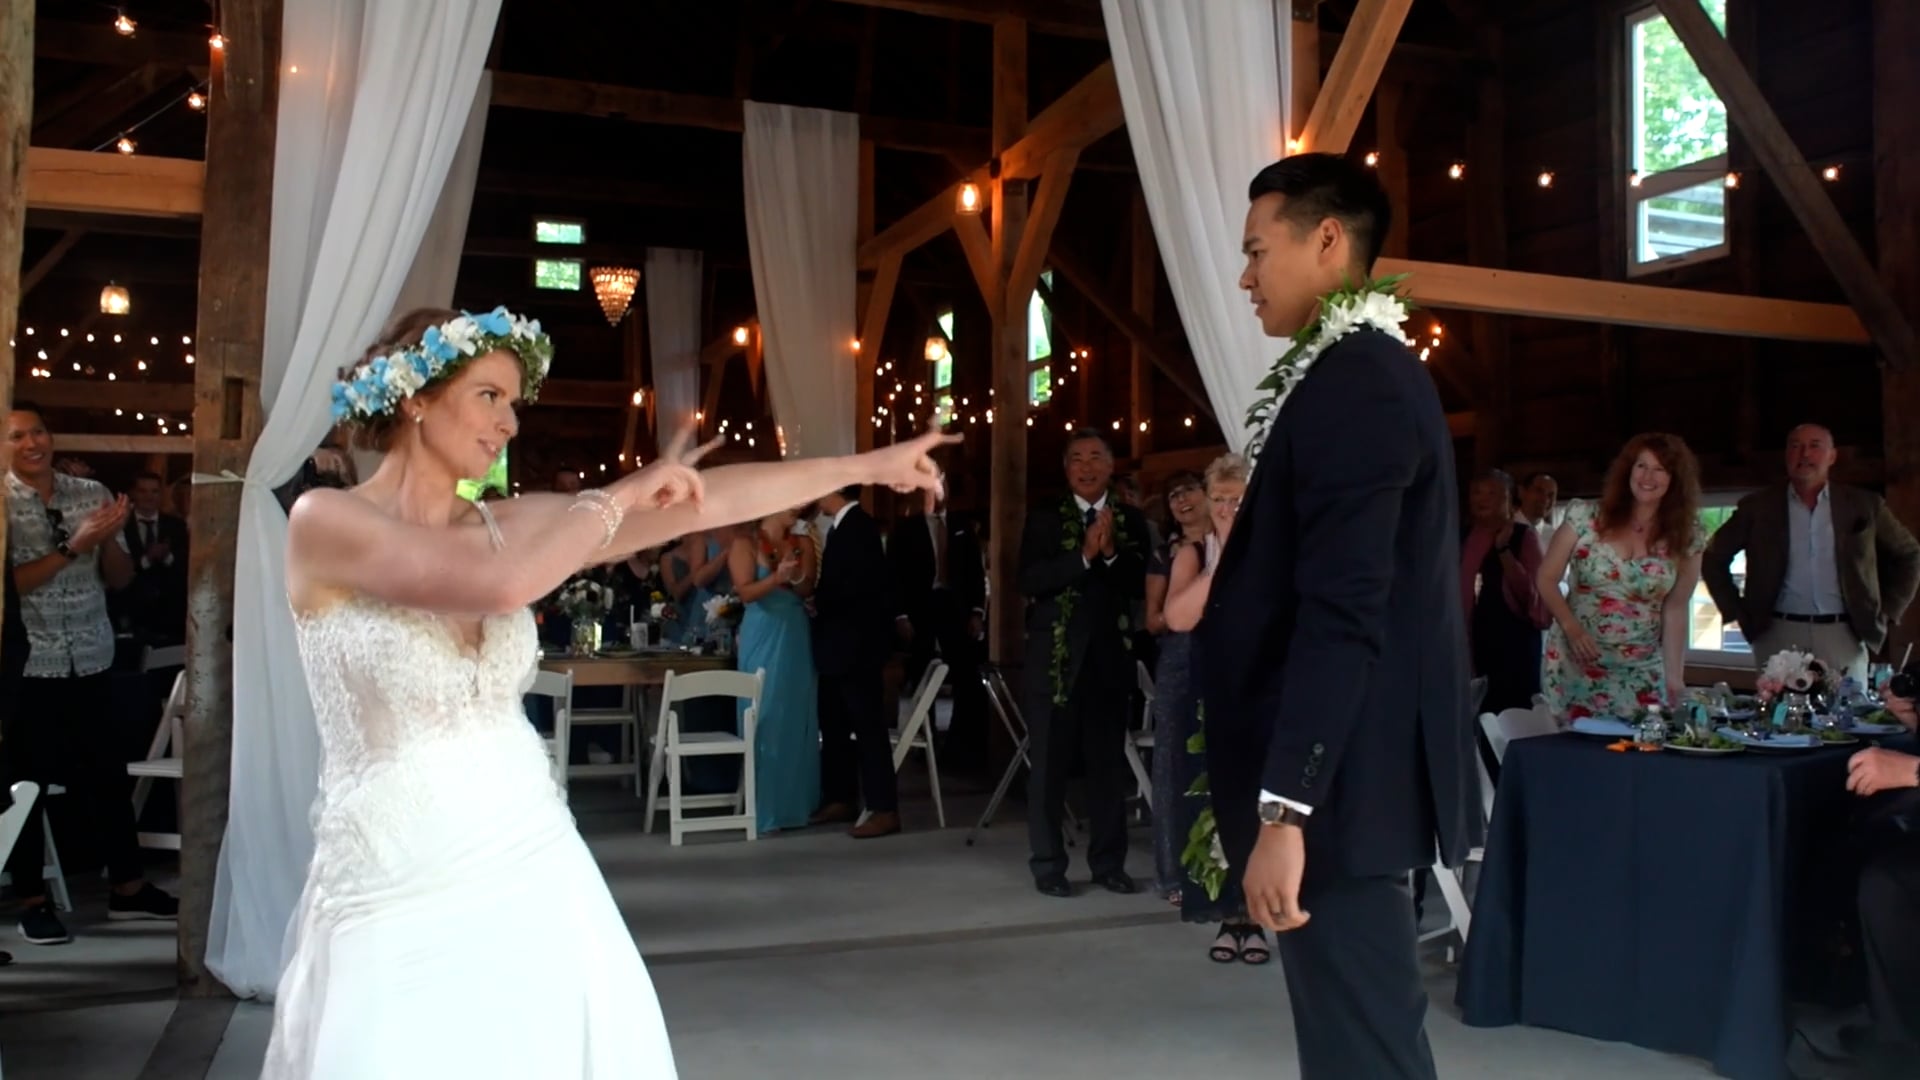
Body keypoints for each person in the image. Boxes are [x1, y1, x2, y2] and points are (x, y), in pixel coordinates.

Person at [264, 306, 954, 1077]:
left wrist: (861, 466)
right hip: (391, 878)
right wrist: (622, 496)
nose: (509, 424)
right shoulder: (324, 521)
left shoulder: (502, 521)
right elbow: (503, 586)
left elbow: (708, 500)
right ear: (417, 395)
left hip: (531, 856)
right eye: (490, 395)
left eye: (515, 404)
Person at [1195, 153, 1476, 1080]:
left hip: (1340, 795)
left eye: (1254, 251)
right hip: (1348, 786)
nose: (1243, 276)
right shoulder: (1355, 372)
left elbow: (1344, 612)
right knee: (1356, 1041)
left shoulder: (1357, 381)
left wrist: (1287, 809)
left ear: (1326, 239)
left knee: (1365, 1051)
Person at [4, 402, 177, 947]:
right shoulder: (3, 503)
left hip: (94, 652)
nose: (32, 443)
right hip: (30, 662)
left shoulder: (91, 494)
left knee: (107, 773)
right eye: (17, 437)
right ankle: (33, 900)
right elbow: (9, 590)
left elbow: (121, 579)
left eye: (38, 432)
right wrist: (69, 546)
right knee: (27, 785)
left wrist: (105, 540)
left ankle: (128, 887)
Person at [1018, 429, 1148, 898]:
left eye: (1097, 457)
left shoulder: (1131, 519)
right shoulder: (1045, 518)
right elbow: (1029, 579)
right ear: (1066, 468)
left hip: (1108, 661)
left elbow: (1141, 583)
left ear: (1112, 466)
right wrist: (1084, 556)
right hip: (1053, 660)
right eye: (1077, 459)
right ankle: (1049, 864)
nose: (1087, 467)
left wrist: (1111, 554)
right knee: (1049, 766)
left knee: (1107, 767)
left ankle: (1109, 863)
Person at [1703, 424, 1920, 683]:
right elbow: (1713, 557)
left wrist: (1887, 610)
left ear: (1832, 456)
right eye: (1795, 446)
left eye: (1815, 446)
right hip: (1776, 632)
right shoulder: (1757, 507)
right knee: (1777, 717)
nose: (1804, 454)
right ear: (1786, 455)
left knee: (1846, 718)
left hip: (1843, 633)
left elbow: (1909, 554)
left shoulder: (1864, 505)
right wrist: (1736, 611)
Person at [1164, 455, 1268, 964]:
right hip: (1209, 688)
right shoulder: (1194, 552)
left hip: (1263, 688)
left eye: (1238, 499)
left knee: (1258, 801)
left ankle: (1260, 914)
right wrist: (1224, 553)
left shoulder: (1274, 552)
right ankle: (1228, 915)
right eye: (1220, 499)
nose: (1228, 508)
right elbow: (1179, 617)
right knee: (1210, 799)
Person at [1538, 434, 1704, 720]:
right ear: (1628, 469)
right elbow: (1546, 578)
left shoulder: (1688, 536)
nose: (1647, 476)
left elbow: (1676, 609)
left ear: (1674, 479)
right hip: (1576, 661)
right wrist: (1571, 627)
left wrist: (1675, 676)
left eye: (1660, 469)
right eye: (1641, 466)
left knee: (1639, 754)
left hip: (1641, 669)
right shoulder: (1584, 516)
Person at [811, 485, 902, 838]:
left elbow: (861, 589)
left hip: (856, 646)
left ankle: (884, 807)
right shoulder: (840, 527)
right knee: (833, 722)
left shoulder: (859, 528)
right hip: (838, 644)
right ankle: (841, 796)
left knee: (868, 727)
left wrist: (821, 601)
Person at [729, 508, 821, 834]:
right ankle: (763, 806)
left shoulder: (803, 543)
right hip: (762, 629)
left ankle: (793, 806)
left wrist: (796, 579)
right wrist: (775, 578)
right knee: (764, 712)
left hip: (794, 630)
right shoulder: (745, 543)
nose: (795, 509)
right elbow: (745, 592)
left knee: (795, 716)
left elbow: (807, 589)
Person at [890, 483, 988, 772]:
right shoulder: (907, 529)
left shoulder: (961, 526)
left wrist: (976, 611)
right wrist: (900, 615)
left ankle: (960, 745)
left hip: (954, 606)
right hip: (921, 606)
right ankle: (924, 739)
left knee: (965, 672)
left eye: (941, 488)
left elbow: (975, 571)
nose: (936, 494)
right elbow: (894, 574)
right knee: (921, 671)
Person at [1144, 469, 1208, 903]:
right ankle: (1172, 873)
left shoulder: (1234, 543)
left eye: (1188, 490)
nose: (1181, 499)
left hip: (1224, 656)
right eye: (1173, 495)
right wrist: (1190, 604)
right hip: (1181, 656)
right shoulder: (1166, 552)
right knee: (1172, 762)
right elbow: (1153, 619)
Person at [1463, 469, 1548, 717]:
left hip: (1511, 651)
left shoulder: (1524, 537)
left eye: (1491, 493)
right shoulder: (1461, 536)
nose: (1482, 499)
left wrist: (1503, 551)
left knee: (1509, 722)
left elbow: (1533, 599)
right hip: (1465, 645)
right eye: (1477, 493)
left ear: (1508, 498)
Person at [117, 471, 190, 643]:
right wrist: (146, 560)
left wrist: (167, 557)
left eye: (155, 491)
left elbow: (185, 567)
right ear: (133, 494)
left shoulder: (177, 526)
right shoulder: (121, 525)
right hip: (131, 612)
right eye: (143, 491)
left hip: (170, 616)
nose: (149, 497)